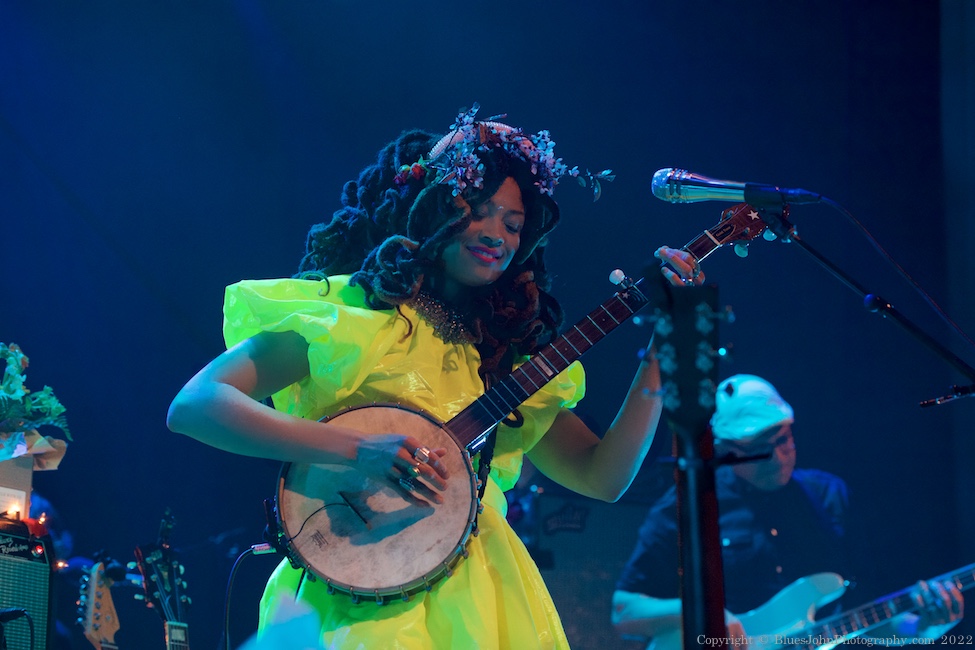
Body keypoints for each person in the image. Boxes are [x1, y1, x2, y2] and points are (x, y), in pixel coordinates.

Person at [166, 104, 705, 648]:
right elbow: (195, 405)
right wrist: (356, 448)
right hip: (351, 595)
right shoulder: (355, 316)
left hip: (482, 598)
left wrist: (663, 349)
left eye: (513, 224)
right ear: (431, 209)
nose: (496, 234)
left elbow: (602, 477)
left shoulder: (502, 358)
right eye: (477, 210)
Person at [611, 373, 965, 648]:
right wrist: (709, 618)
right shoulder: (687, 505)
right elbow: (624, 610)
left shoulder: (828, 496)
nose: (779, 458)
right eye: (761, 450)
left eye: (784, 440)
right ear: (724, 449)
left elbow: (860, 619)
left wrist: (926, 628)